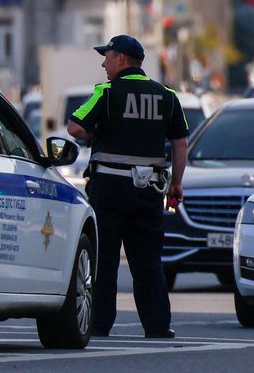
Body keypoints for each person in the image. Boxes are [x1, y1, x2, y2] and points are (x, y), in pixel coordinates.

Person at [67, 34, 189, 339]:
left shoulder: (107, 92)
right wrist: (175, 184)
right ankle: (158, 326)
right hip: (149, 191)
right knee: (148, 262)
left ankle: (99, 325)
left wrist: (97, 133)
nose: (103, 63)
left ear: (121, 59)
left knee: (104, 260)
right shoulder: (167, 96)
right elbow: (181, 144)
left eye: (107, 56)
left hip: (109, 189)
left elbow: (75, 126)